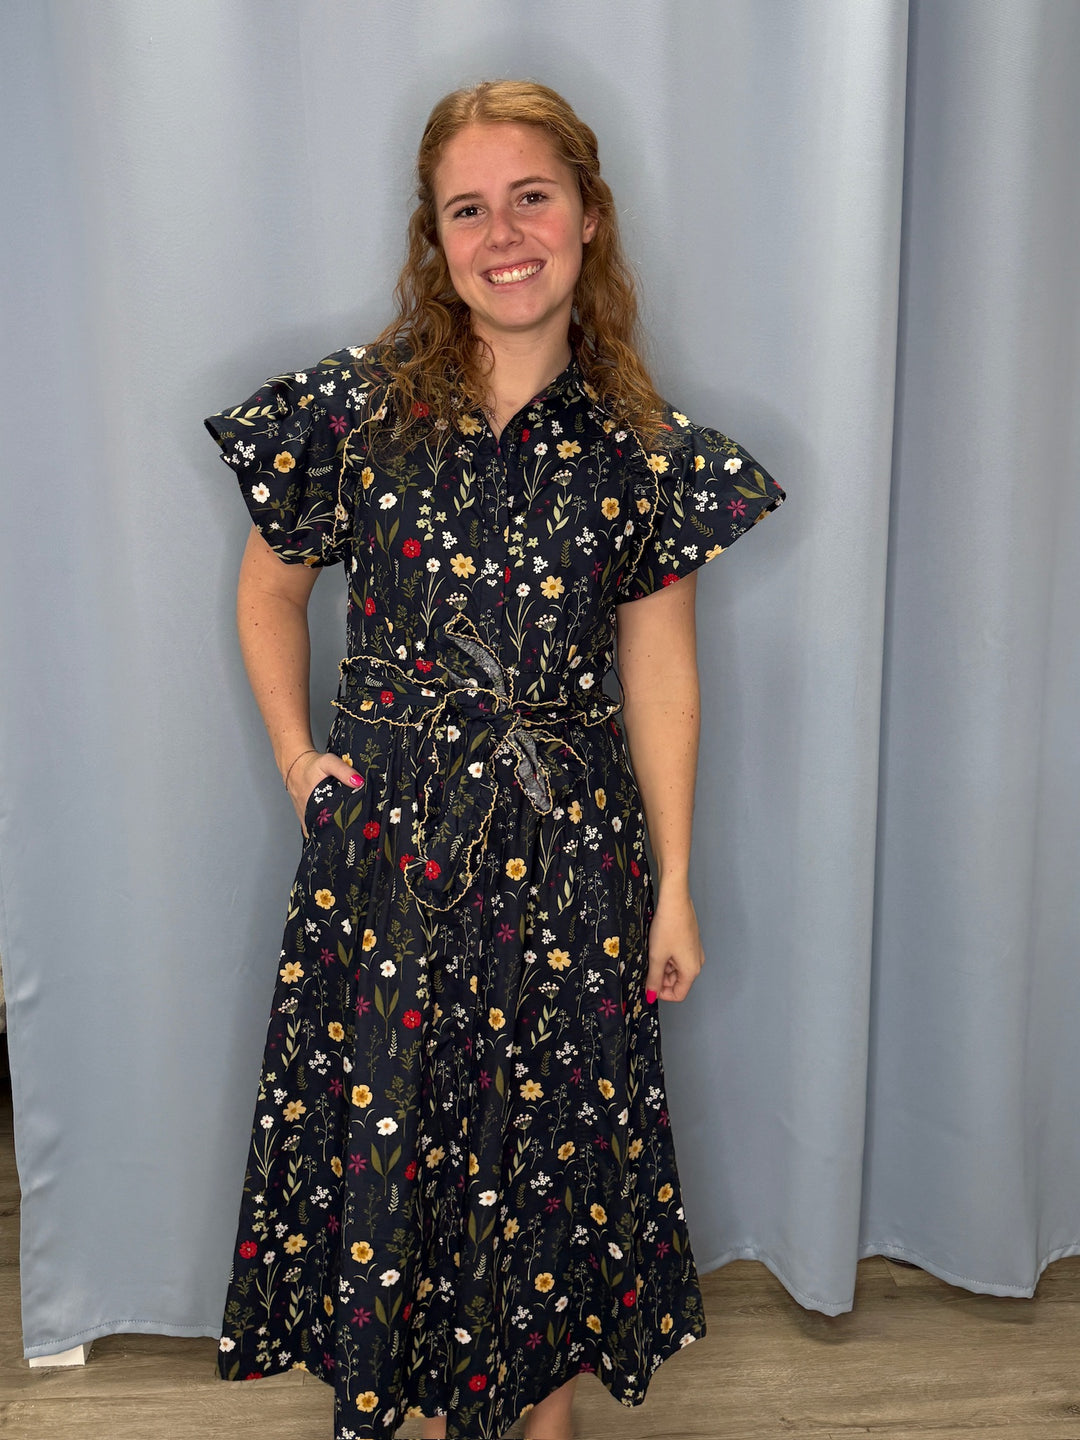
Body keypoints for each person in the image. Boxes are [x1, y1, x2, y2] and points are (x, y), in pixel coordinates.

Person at [203, 78, 785, 1440]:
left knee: (547, 1152)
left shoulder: (643, 456)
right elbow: (268, 592)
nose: (505, 232)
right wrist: (298, 760)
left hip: (572, 854)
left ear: (587, 212)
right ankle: (398, 1403)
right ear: (436, 235)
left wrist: (677, 881)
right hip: (392, 850)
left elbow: (660, 672)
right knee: (397, 1139)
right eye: (470, 207)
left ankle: (545, 1416)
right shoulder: (354, 413)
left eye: (533, 195)